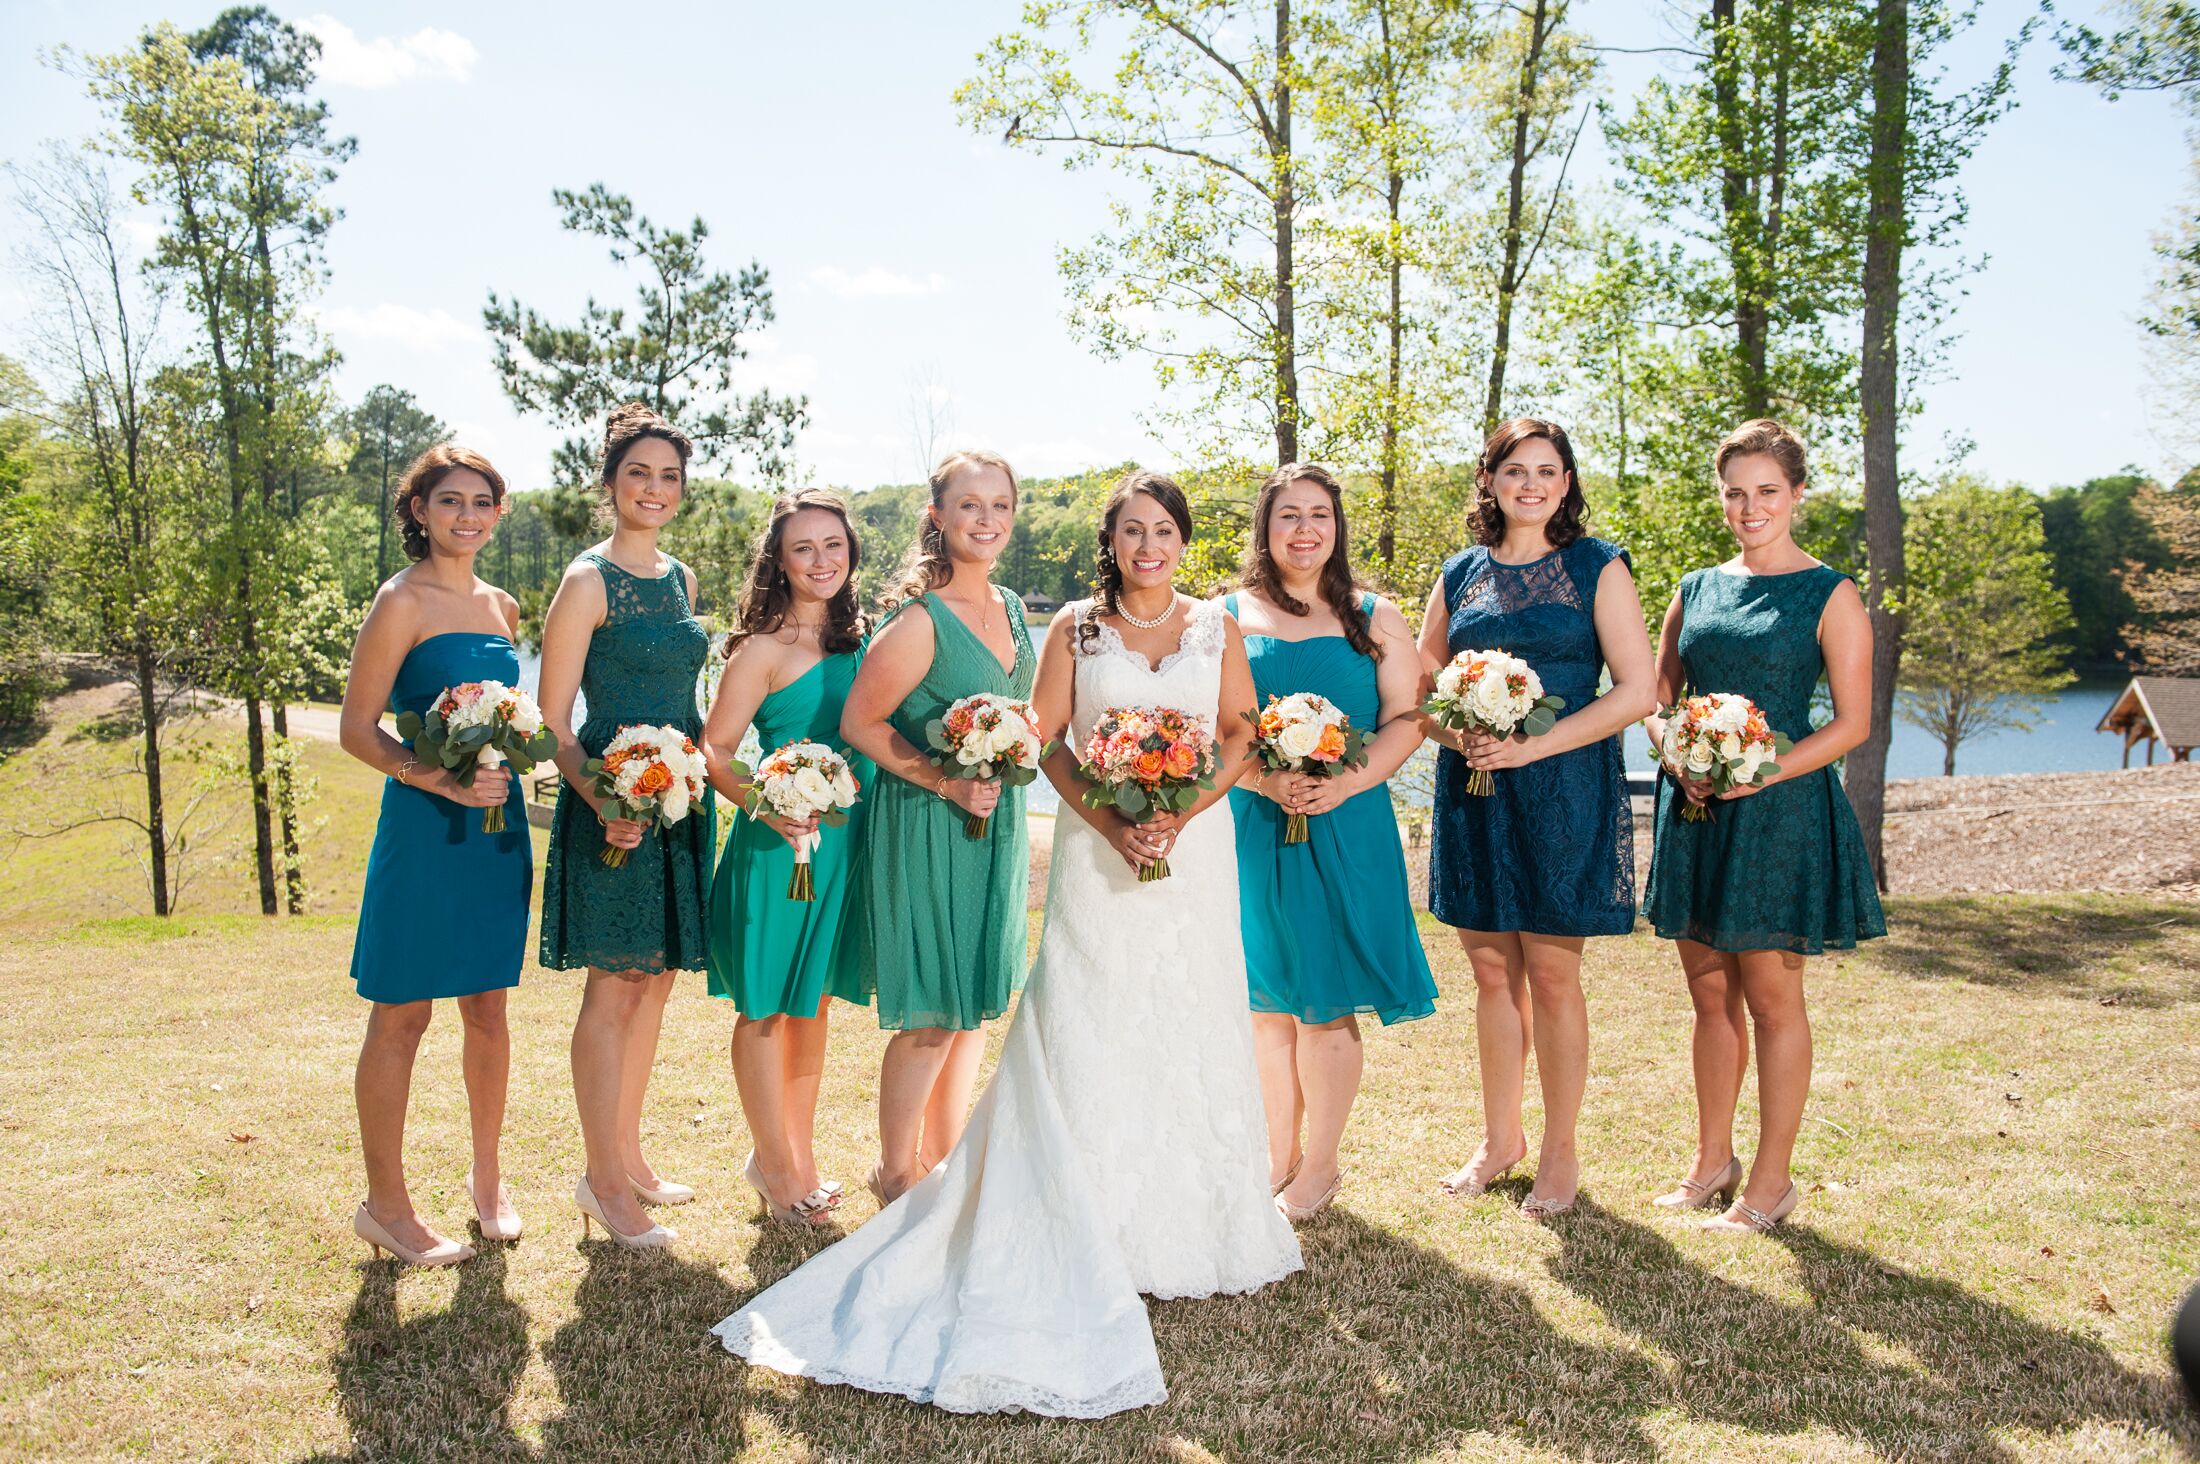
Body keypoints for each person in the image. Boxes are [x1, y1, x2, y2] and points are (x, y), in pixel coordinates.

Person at [713, 469, 1302, 1417]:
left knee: (1188, 1016)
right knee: (1086, 1013)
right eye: (1132, 533)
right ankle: (1026, 1195)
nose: (1148, 548)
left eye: (1165, 532)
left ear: (1185, 541)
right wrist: (1113, 821)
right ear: (1108, 544)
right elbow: (1048, 740)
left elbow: (1241, 731)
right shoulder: (1069, 623)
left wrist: (1182, 810)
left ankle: (1189, 1213)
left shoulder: (1214, 625)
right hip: (1093, 849)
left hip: (1196, 856)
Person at [1641, 418, 1885, 1233]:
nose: (1750, 508)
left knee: (1774, 1000)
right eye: (1736, 493)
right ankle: (1713, 1162)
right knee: (1708, 993)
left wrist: (1761, 769)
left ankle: (1772, 1182)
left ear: (1797, 494)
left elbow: (1852, 723)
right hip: (1699, 806)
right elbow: (1658, 695)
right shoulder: (1696, 587)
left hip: (1780, 812)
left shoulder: (1831, 592)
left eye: (1767, 492)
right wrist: (1675, 752)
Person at [1418, 418, 1655, 1219]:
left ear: (1566, 483)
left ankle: (1560, 1150)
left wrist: (1535, 745)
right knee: (1490, 974)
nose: (1531, 484)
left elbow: (1636, 691)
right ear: (1488, 480)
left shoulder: (1598, 565)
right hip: (1476, 788)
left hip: (1563, 789)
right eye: (1515, 470)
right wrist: (1463, 735)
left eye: (1547, 471)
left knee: (1553, 975)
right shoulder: (1460, 574)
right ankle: (1499, 1139)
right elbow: (1421, 687)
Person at [1220, 463, 1435, 1221]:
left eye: (1319, 515)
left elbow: (1408, 716)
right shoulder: (1224, 616)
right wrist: (1260, 782)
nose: (1304, 529)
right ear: (1265, 528)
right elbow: (1216, 728)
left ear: (1336, 527)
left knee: (1325, 1001)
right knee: (1265, 1003)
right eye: (1288, 516)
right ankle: (1275, 1152)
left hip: (1348, 821)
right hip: (1253, 822)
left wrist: (1347, 782)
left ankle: (1321, 1166)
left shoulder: (1374, 616)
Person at [339, 445, 529, 1265]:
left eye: (481, 502)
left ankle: (488, 1180)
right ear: (419, 512)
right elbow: (357, 729)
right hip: (425, 826)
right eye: (449, 501)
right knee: (404, 1012)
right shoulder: (399, 601)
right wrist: (438, 783)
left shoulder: (504, 607)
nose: (467, 515)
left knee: (488, 1008)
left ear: (497, 512)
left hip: (498, 830)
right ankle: (386, 1204)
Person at [537, 403, 715, 1249]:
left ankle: (629, 1156)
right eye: (639, 474)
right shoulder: (586, 581)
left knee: (655, 979)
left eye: (669, 477)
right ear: (610, 484)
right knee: (612, 985)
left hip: (677, 806)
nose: (655, 489)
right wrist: (603, 798)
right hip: (612, 807)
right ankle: (602, 1183)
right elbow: (554, 722)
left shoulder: (681, 580)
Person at [837, 451, 1033, 1204]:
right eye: (970, 506)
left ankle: (940, 1155)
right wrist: (945, 779)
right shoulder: (920, 621)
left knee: (972, 1002)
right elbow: (862, 721)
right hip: (928, 823)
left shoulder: (1013, 608)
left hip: (995, 825)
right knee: (931, 1009)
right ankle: (892, 1172)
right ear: (938, 517)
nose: (987, 520)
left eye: (1000, 506)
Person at [701, 489, 872, 1227]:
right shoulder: (761, 650)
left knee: (815, 1003)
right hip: (778, 849)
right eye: (803, 548)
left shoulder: (863, 642)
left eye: (832, 545)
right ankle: (777, 1166)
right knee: (767, 1006)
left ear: (850, 552)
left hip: (841, 848)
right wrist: (770, 807)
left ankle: (788, 1155)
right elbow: (713, 751)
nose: (820, 560)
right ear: (780, 560)